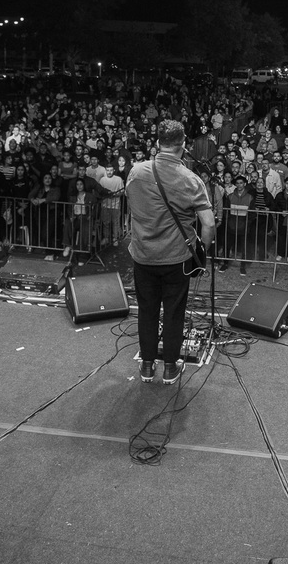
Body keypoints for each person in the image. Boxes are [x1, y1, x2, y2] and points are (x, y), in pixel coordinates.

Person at [126, 119, 216, 386]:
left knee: (147, 311)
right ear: (183, 145)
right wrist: (202, 251)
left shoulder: (135, 172)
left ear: (157, 143)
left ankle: (146, 366)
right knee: (174, 313)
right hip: (177, 258)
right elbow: (209, 224)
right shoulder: (190, 179)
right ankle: (169, 368)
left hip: (143, 256)